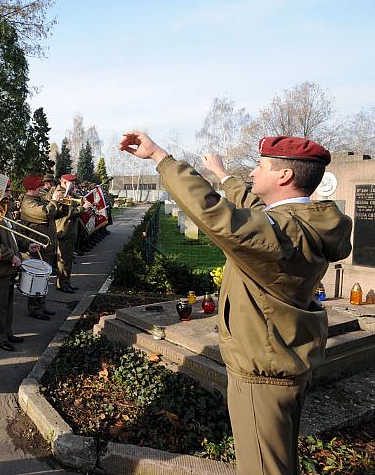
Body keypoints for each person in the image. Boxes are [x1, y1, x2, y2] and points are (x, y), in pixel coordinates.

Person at [120, 132, 352, 475]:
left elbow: (216, 214)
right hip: (281, 360)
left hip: (262, 371)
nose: (254, 173)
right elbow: (259, 212)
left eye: (261, 166)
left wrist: (159, 157)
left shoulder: (283, 234)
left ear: (284, 175)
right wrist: (224, 176)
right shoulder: (306, 224)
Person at [0, 179, 39, 351]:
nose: (9, 193)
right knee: (0, 304)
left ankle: (7, 332)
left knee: (8, 302)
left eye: (9, 190)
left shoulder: (4, 211)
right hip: (0, 265)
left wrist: (26, 246)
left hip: (10, 264)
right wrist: (11, 256)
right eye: (6, 190)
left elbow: (12, 236)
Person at [19, 174, 62, 320]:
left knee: (44, 280)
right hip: (36, 246)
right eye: (38, 187)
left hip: (46, 246)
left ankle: (41, 305)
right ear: (31, 189)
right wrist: (54, 201)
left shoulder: (38, 199)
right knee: (37, 280)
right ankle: (35, 309)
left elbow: (53, 213)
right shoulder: (28, 203)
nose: (41, 188)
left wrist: (60, 204)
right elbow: (44, 214)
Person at [54, 174, 92, 293]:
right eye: (72, 183)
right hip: (64, 230)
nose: (74, 185)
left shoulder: (69, 193)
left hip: (70, 230)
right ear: (65, 183)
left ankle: (66, 282)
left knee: (69, 259)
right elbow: (70, 213)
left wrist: (84, 203)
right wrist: (83, 208)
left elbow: (77, 202)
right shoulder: (61, 194)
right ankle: (62, 284)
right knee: (63, 260)